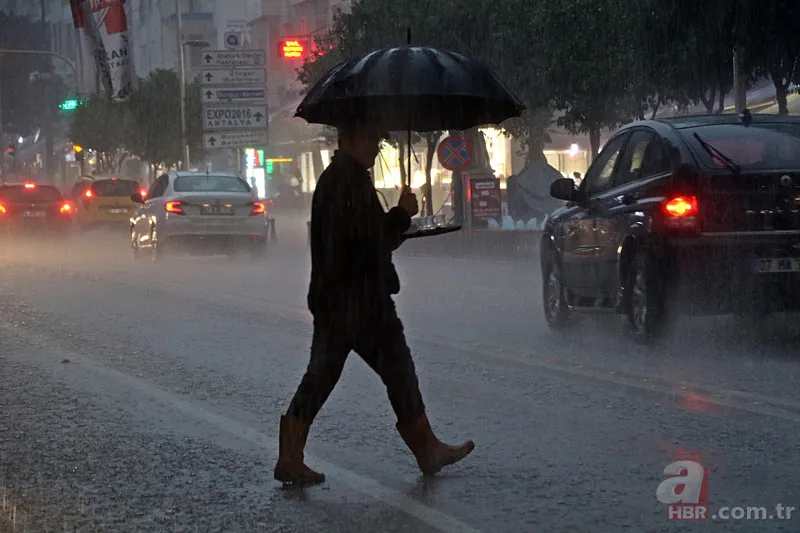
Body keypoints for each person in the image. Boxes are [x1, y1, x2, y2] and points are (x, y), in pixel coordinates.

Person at [274, 124, 475, 486]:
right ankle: (426, 449)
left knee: (321, 378)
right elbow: (366, 240)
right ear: (349, 138)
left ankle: (290, 455)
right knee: (397, 370)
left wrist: (395, 224)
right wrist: (400, 215)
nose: (375, 147)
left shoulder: (342, 180)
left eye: (378, 140)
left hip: (339, 299)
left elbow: (368, 239)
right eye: (370, 138)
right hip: (360, 301)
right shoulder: (345, 183)